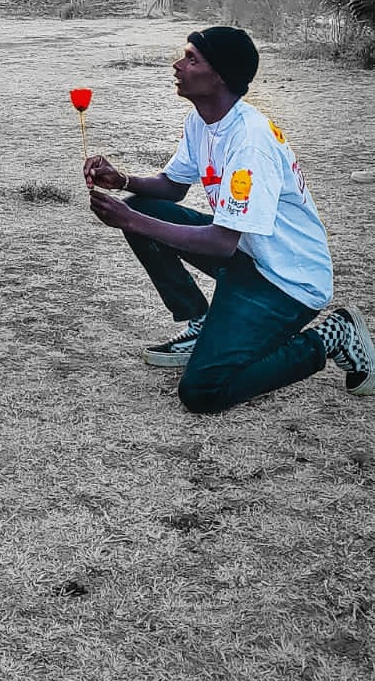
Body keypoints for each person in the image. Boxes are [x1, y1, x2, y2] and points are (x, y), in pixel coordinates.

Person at [84, 25, 375, 413]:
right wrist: (122, 181)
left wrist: (130, 221)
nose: (177, 65)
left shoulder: (250, 142)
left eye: (191, 59)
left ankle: (333, 336)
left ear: (219, 76)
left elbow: (221, 242)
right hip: (248, 256)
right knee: (142, 206)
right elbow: (173, 186)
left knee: (203, 391)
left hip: (286, 280)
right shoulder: (202, 122)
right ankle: (199, 323)